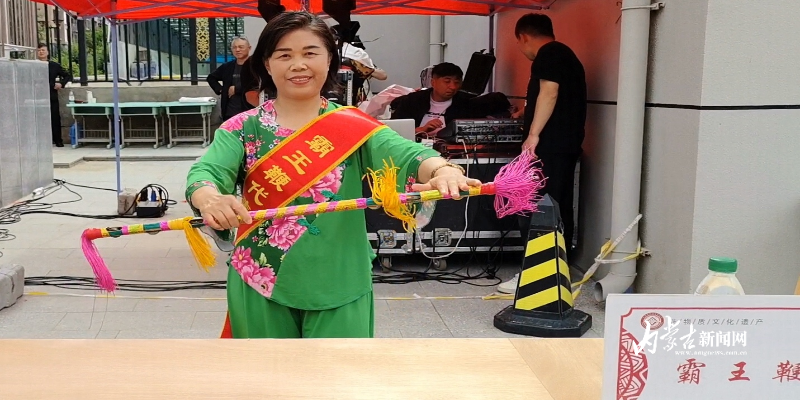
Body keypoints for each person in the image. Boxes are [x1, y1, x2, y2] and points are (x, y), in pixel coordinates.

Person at [185, 11, 481, 339]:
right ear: (267, 64)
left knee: (340, 371)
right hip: (260, 277)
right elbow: (207, 172)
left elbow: (409, 154)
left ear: (330, 60)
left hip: (341, 278)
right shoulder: (242, 128)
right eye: (284, 55)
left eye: (310, 53)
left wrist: (443, 170)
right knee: (267, 372)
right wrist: (209, 197)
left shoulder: (353, 125)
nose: (298, 64)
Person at [499, 13, 587, 294]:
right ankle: (555, 270)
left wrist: (533, 134)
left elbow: (549, 92)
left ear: (523, 37)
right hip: (563, 145)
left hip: (550, 146)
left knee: (538, 206)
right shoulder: (564, 55)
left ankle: (536, 274)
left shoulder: (549, 54)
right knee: (555, 205)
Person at [390, 62, 475, 137]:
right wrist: (421, 130)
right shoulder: (412, 101)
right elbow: (393, 130)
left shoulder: (466, 104)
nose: (453, 87)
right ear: (433, 82)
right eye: (447, 81)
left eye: (457, 82)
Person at [206, 37, 257, 121]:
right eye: (234, 47)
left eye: (241, 47)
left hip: (250, 110)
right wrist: (221, 90)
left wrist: (237, 89)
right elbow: (211, 78)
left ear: (249, 48)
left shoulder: (255, 66)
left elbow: (257, 82)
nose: (237, 50)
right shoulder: (227, 67)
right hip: (230, 111)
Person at [37, 43, 72, 147]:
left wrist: (61, 84)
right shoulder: (33, 65)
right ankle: (40, 141)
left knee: (55, 118)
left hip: (51, 95)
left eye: (43, 50)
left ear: (47, 52)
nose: (41, 52)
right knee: (39, 119)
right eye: (39, 50)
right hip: (37, 95)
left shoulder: (54, 65)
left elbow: (67, 76)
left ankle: (58, 140)